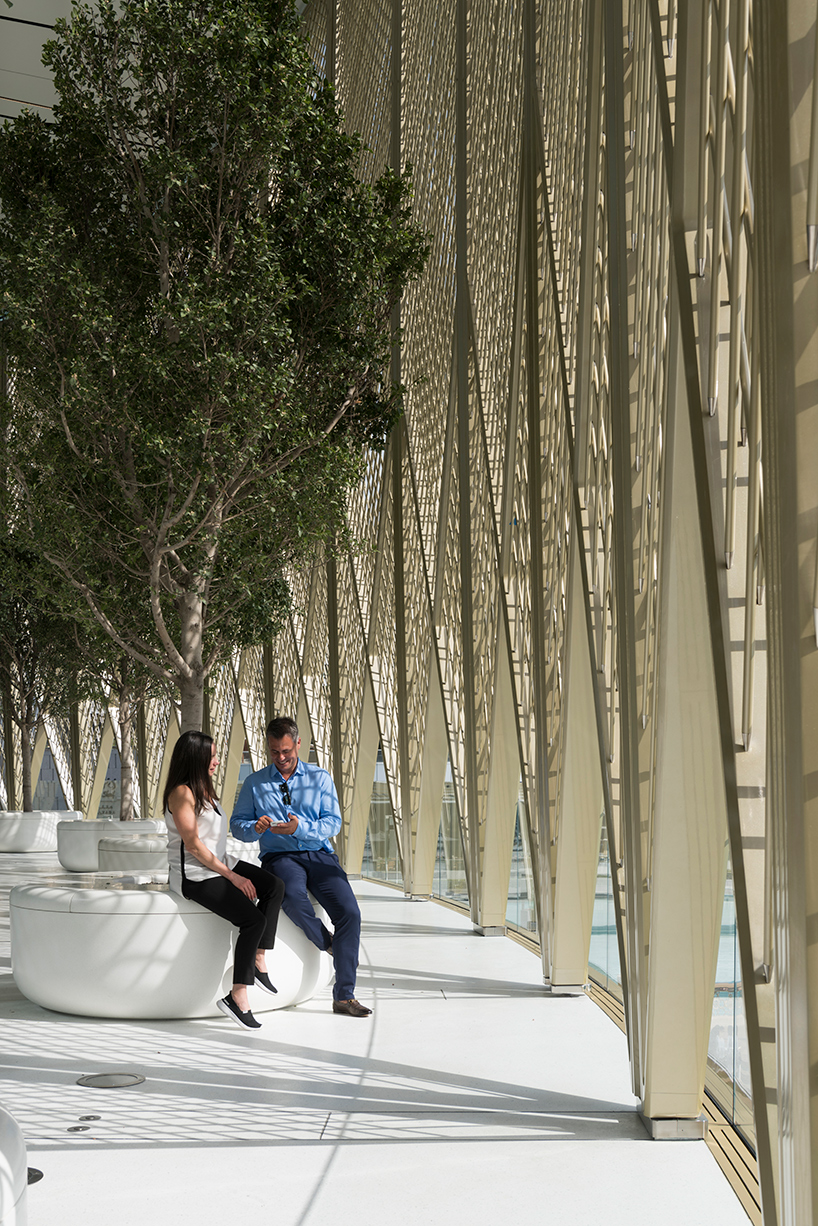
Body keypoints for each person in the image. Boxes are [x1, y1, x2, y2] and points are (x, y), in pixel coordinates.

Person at [230, 716, 371, 1017]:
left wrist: (299, 828)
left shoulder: (320, 778)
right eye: (274, 752)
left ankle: (344, 997)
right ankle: (328, 942)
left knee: (350, 913)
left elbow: (332, 822)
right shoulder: (255, 783)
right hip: (279, 859)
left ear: (298, 745)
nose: (281, 758)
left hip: (319, 855)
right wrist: (255, 827)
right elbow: (237, 826)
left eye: (286, 752)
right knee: (292, 897)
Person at [164, 729, 286, 1031]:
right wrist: (232, 877)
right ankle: (237, 996)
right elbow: (192, 845)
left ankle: (258, 957)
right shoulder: (182, 793)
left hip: (219, 865)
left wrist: (231, 869)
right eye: (212, 756)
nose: (217, 761)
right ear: (196, 758)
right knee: (253, 920)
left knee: (274, 886)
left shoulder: (203, 789)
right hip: (194, 875)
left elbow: (214, 838)